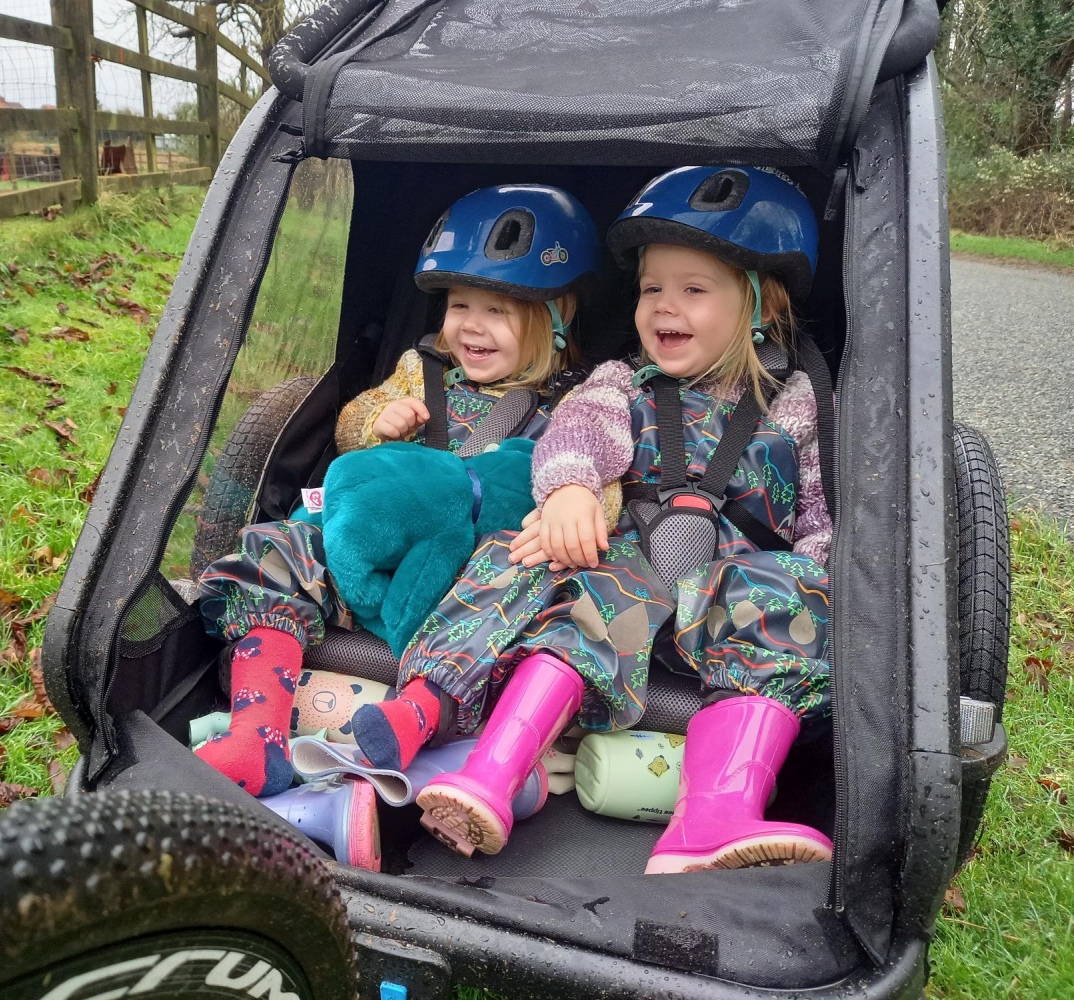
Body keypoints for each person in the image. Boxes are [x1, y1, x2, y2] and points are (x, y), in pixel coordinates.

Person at [354, 166, 834, 871]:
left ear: (760, 304)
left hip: (734, 612)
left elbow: (819, 511)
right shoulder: (619, 382)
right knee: (537, 554)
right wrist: (571, 490)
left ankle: (715, 814)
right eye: (650, 289)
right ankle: (487, 772)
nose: (663, 306)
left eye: (692, 290)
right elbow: (576, 432)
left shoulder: (796, 405)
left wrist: (820, 578)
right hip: (616, 598)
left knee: (795, 583)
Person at [194, 183, 598, 797]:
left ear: (556, 316)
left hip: (466, 569)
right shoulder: (423, 370)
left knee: (523, 572)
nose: (471, 327)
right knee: (284, 544)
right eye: (459, 306)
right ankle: (257, 734)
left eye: (497, 310)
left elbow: (596, 478)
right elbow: (355, 420)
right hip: (374, 544)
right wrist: (374, 423)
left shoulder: (576, 406)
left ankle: (412, 716)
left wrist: (569, 507)